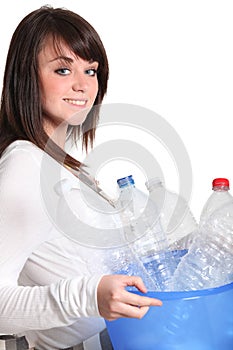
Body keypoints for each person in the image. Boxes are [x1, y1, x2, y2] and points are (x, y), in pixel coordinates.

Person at [0, 5, 162, 350]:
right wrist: (89, 296)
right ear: (26, 77)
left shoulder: (60, 165)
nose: (82, 85)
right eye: (62, 69)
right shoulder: (24, 167)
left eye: (90, 71)